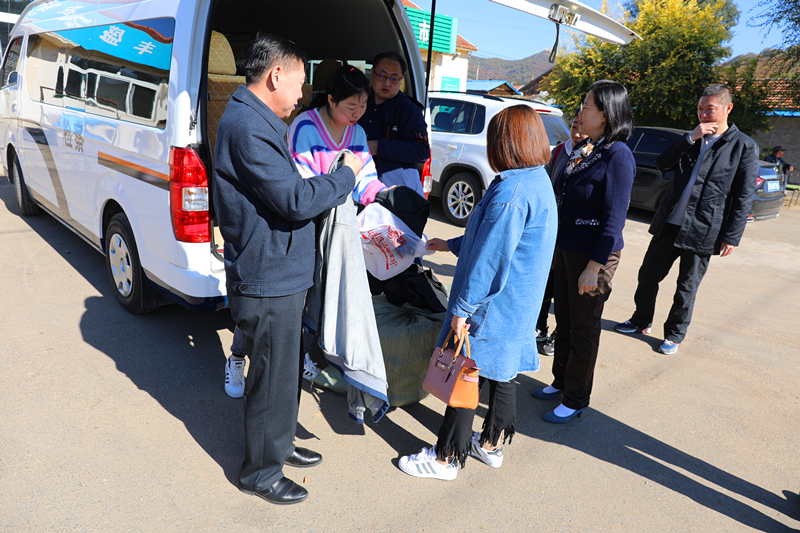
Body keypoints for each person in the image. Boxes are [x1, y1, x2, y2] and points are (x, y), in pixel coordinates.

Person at [213, 33, 363, 505]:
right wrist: (346, 176)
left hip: (281, 270)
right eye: (300, 82)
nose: (302, 94)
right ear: (276, 75)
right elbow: (294, 199)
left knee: (284, 372)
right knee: (271, 377)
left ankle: (278, 444)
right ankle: (260, 472)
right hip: (267, 273)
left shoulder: (259, 119)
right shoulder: (247, 126)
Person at [398, 105, 557, 480]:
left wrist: (462, 309)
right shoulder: (535, 180)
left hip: (493, 303)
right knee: (503, 373)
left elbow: (490, 258)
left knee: (465, 373)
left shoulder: (511, 193)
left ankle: (446, 458)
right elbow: (491, 238)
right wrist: (450, 244)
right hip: (519, 302)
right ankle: (491, 444)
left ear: (506, 144)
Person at [615, 84, 759, 354]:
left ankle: (674, 334)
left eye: (710, 109)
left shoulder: (744, 146)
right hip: (669, 223)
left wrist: (731, 236)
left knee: (686, 287)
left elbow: (743, 196)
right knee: (648, 275)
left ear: (728, 108)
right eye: (700, 109)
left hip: (703, 229)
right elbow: (663, 164)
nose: (703, 114)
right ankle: (641, 320)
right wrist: (690, 138)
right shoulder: (692, 139)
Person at [531, 80, 636, 424]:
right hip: (566, 250)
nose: (580, 111)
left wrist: (594, 266)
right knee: (564, 320)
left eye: (586, 106)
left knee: (584, 327)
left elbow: (614, 220)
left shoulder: (618, 155)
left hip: (594, 257)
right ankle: (561, 381)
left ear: (605, 114)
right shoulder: (586, 148)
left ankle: (576, 398)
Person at [537, 117, 588, 356]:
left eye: (582, 128)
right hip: (551, 228)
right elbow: (545, 183)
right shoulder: (558, 152)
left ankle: (560, 333)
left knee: (565, 286)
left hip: (573, 235)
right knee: (545, 280)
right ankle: (539, 327)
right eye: (574, 127)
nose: (577, 133)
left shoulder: (593, 156)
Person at [358, 51, 429, 196]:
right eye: (382, 76)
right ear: (372, 73)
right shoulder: (357, 102)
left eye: (394, 79)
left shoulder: (409, 110)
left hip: (397, 196)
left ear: (401, 80)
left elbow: (422, 151)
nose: (387, 83)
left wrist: (380, 147)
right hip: (360, 189)